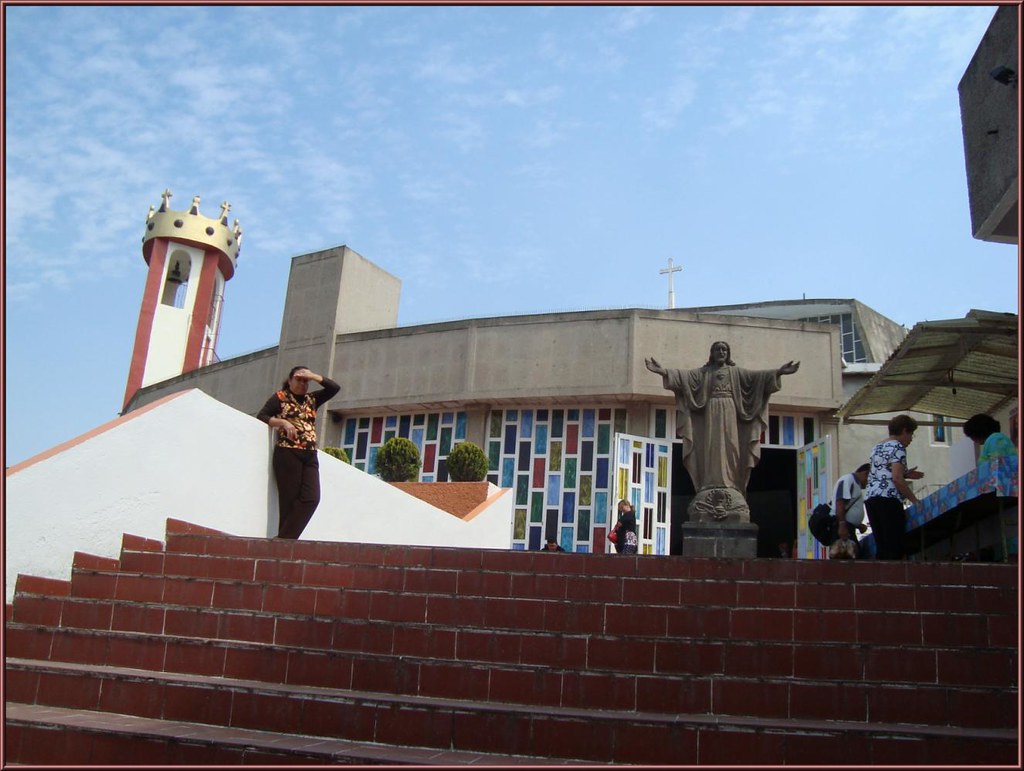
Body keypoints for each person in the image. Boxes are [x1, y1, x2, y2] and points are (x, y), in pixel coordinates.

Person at [645, 342, 799, 520]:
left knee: (731, 448)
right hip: (711, 411)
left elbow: (757, 378)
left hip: (730, 411)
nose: (721, 352)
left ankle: (732, 484)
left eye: (724, 349)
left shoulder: (735, 372)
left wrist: (779, 372)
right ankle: (710, 483)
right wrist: (663, 371)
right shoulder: (705, 373)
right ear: (712, 353)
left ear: (728, 353)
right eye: (717, 349)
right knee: (712, 447)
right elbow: (684, 377)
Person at [257, 366, 340, 539]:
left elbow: (334, 388)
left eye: (305, 381)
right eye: (298, 379)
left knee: (312, 498)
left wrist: (313, 376)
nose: (302, 384)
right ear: (289, 381)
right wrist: (282, 423)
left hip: (310, 454)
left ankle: (282, 541)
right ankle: (286, 545)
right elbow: (262, 416)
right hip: (288, 453)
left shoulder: (312, 399)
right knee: (289, 503)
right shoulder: (280, 397)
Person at [864, 414, 924, 560]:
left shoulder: (877, 447)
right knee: (894, 545)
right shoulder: (898, 447)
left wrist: (907, 474)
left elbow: (883, 472)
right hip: (888, 499)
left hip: (871, 497)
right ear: (904, 431)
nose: (910, 439)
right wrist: (915, 500)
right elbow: (896, 479)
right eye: (911, 434)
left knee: (882, 545)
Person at [832, 463, 870, 544]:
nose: (868, 484)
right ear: (866, 474)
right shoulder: (848, 479)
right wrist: (842, 525)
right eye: (870, 480)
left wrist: (858, 525)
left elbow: (849, 507)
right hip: (843, 527)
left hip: (849, 527)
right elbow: (840, 502)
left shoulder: (856, 485)